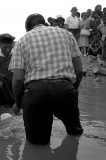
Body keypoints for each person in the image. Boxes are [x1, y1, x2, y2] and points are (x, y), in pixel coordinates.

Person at [9, 13, 83, 145]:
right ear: (44, 23)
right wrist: (71, 90)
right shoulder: (67, 35)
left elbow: (18, 79)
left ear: (27, 27)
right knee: (74, 133)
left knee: (37, 144)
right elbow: (78, 70)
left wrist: (18, 104)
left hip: (35, 93)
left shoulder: (22, 41)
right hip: (64, 88)